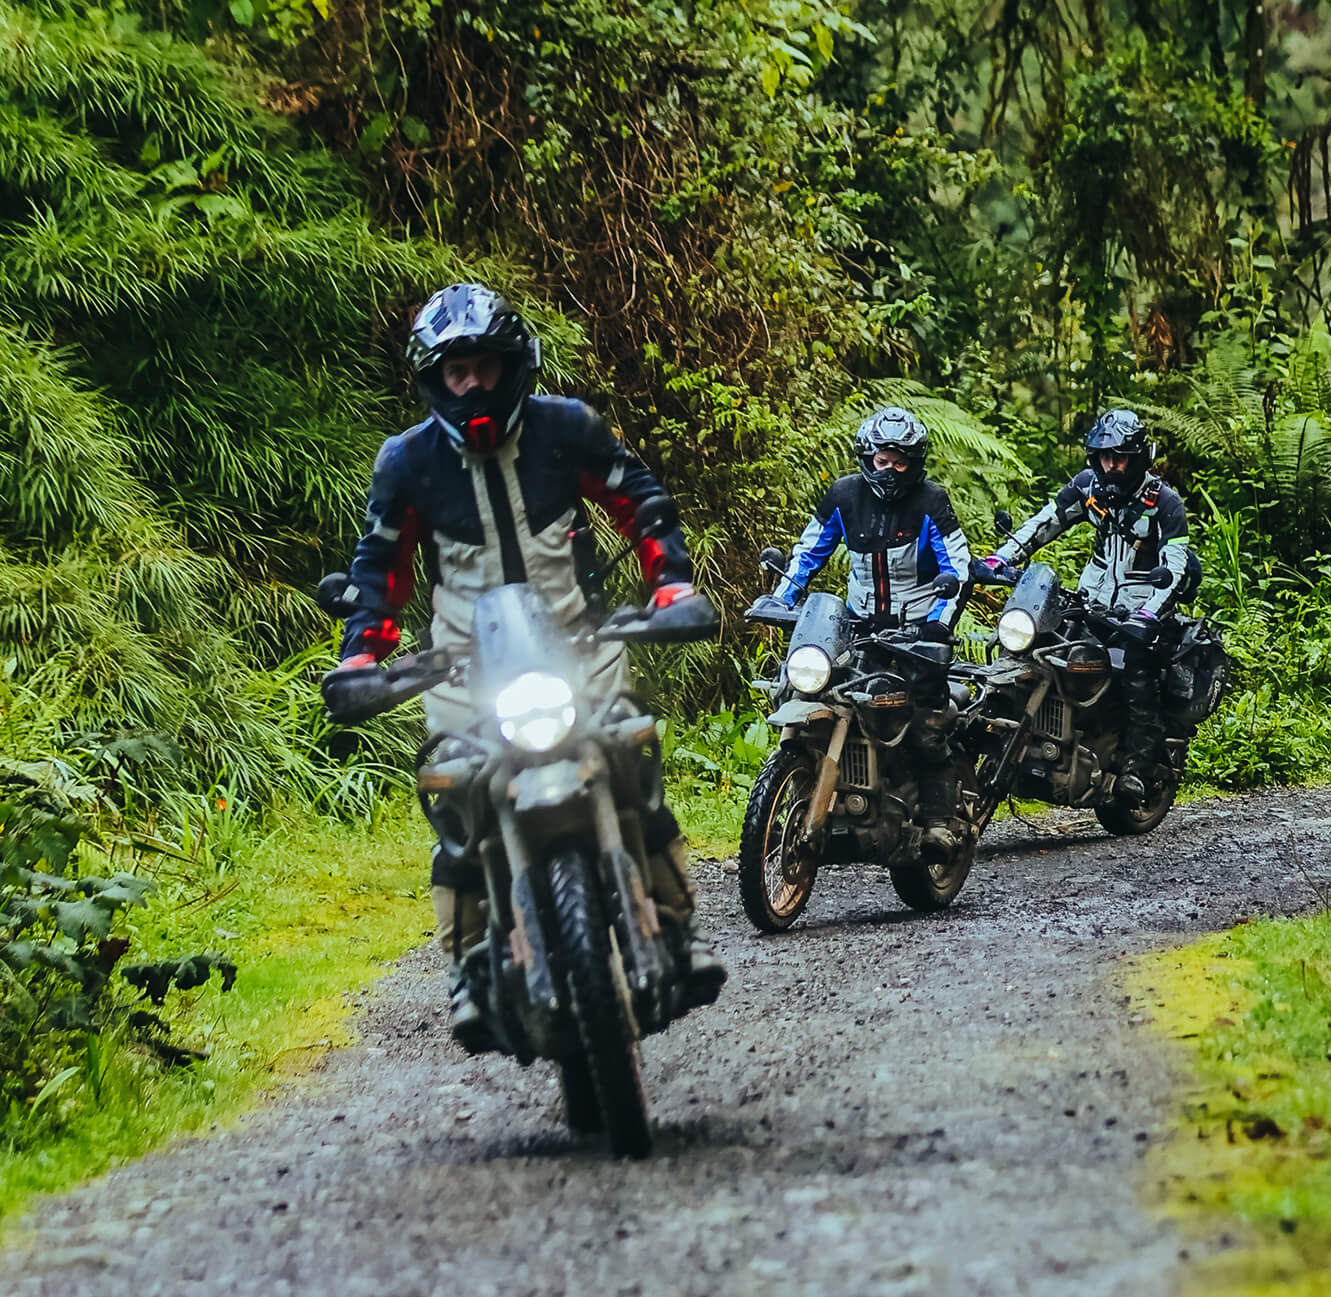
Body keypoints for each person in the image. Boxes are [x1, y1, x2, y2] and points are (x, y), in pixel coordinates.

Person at [333, 282, 723, 1048]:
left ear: (512, 363)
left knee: (633, 754)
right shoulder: (406, 463)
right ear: (434, 380)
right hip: (462, 666)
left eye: (481, 365)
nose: (471, 383)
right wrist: (360, 654)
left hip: (578, 641)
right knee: (453, 798)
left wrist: (670, 583)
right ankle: (471, 961)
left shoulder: (566, 428)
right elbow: (379, 567)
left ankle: (678, 926)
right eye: (455, 372)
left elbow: (638, 500)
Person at [770, 406, 972, 858]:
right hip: (857, 627)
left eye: (900, 461)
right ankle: (808, 793)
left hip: (918, 631)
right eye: (883, 459)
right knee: (813, 694)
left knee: (925, 724)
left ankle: (939, 818)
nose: (891, 469)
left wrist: (940, 622)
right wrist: (781, 598)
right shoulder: (844, 496)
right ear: (868, 456)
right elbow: (808, 552)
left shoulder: (930, 502)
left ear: (914, 463)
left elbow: (957, 566)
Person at [982, 408, 1195, 803]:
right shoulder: (1088, 488)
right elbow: (1044, 522)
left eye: (1119, 458)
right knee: (1038, 649)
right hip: (1091, 602)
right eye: (1103, 457)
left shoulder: (1163, 502)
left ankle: (1137, 767)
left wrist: (1150, 613)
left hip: (1141, 612)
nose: (1111, 466)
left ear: (1137, 458)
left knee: (1136, 669)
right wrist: (999, 560)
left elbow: (1177, 566)